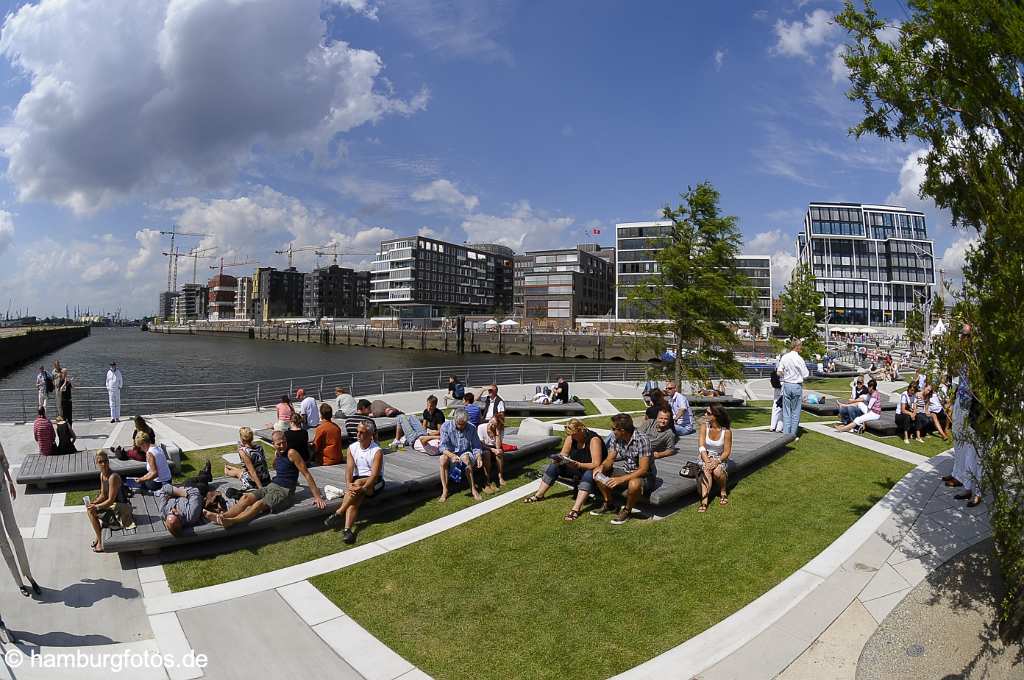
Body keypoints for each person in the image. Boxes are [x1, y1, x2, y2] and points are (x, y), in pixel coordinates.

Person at [205, 430, 326, 527]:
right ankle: (223, 516)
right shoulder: (278, 454)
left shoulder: (292, 453)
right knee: (246, 497)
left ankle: (233, 521)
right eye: (278, 444)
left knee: (259, 504)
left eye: (284, 442)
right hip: (272, 485)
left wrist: (317, 496)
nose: (282, 445)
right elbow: (279, 466)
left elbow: (307, 474)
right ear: (273, 444)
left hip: (284, 491)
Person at [522, 418, 605, 521]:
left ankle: (576, 509)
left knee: (588, 474)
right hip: (576, 466)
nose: (571, 437)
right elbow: (564, 454)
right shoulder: (571, 438)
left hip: (594, 469)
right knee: (554, 466)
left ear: (580, 430)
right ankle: (539, 495)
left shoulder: (593, 440)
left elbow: (596, 463)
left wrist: (578, 465)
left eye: (573, 434)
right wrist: (559, 459)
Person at [323, 421, 384, 544]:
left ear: (370, 434)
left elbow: (374, 475)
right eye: (357, 432)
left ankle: (339, 512)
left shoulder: (377, 451)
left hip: (374, 482)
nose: (358, 435)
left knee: (359, 483)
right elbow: (349, 469)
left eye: (362, 432)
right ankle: (347, 530)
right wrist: (348, 484)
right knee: (355, 498)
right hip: (358, 482)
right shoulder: (352, 448)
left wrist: (362, 487)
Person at [593, 413, 653, 525]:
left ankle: (627, 510)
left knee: (634, 484)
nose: (612, 431)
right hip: (626, 471)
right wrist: (601, 467)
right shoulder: (616, 438)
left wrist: (621, 479)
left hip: (644, 476)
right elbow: (610, 459)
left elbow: (643, 469)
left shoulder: (642, 440)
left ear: (622, 430)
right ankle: (609, 503)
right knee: (597, 474)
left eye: (613, 429)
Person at [946, 325, 982, 506]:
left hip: (976, 405)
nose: (962, 338)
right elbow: (956, 377)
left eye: (965, 335)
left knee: (976, 449)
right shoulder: (964, 357)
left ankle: (977, 490)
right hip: (962, 399)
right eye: (961, 334)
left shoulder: (979, 356)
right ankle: (966, 484)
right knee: (961, 441)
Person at [0, 440, 40, 596]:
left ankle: (28, 575)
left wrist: (10, 481)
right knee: (2, 542)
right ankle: (19, 582)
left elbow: (3, 460)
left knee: (15, 534)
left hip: (2, 487)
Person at [85, 451, 133, 553]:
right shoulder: (102, 475)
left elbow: (110, 500)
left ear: (108, 461)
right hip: (114, 507)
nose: (103, 464)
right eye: (100, 461)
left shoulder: (113, 477)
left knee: (91, 512)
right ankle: (99, 536)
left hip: (121, 510)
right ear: (97, 463)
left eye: (105, 461)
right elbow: (103, 494)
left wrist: (96, 507)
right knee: (91, 509)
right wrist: (94, 502)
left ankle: (100, 541)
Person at [438, 409, 488, 502]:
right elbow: (442, 446)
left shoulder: (471, 427)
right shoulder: (445, 426)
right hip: (451, 453)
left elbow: (476, 446)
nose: (462, 426)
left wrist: (479, 457)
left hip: (466, 453)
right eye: (459, 424)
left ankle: (473, 489)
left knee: (465, 458)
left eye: (464, 424)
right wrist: (451, 455)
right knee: (442, 459)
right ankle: (445, 490)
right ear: (455, 420)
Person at [697, 404, 733, 513]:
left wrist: (716, 461)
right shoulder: (704, 426)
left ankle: (723, 491)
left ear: (716, 416)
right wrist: (707, 460)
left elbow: (726, 452)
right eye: (705, 411)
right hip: (705, 455)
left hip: (720, 457)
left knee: (717, 471)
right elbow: (701, 446)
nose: (705, 414)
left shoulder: (726, 432)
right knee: (706, 470)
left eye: (708, 413)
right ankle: (704, 500)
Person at [777, 338, 809, 436]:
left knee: (786, 411)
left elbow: (779, 372)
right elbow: (805, 374)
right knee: (795, 411)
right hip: (796, 385)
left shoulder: (785, 357)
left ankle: (786, 433)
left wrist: (785, 374)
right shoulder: (799, 359)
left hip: (787, 384)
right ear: (798, 347)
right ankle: (792, 434)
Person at [224, 427, 271, 491]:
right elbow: (264, 465)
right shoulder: (259, 447)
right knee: (242, 471)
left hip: (255, 481)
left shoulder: (243, 452)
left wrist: (261, 488)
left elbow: (252, 471)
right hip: (265, 477)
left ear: (241, 438)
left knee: (239, 473)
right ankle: (229, 467)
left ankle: (227, 470)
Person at [477, 417, 506, 492]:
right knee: (486, 454)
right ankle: (487, 479)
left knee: (499, 453)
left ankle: (500, 476)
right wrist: (492, 450)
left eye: (493, 424)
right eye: (490, 422)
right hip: (484, 447)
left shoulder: (499, 430)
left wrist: (497, 433)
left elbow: (498, 446)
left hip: (494, 447)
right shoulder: (481, 427)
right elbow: (481, 444)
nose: (490, 425)